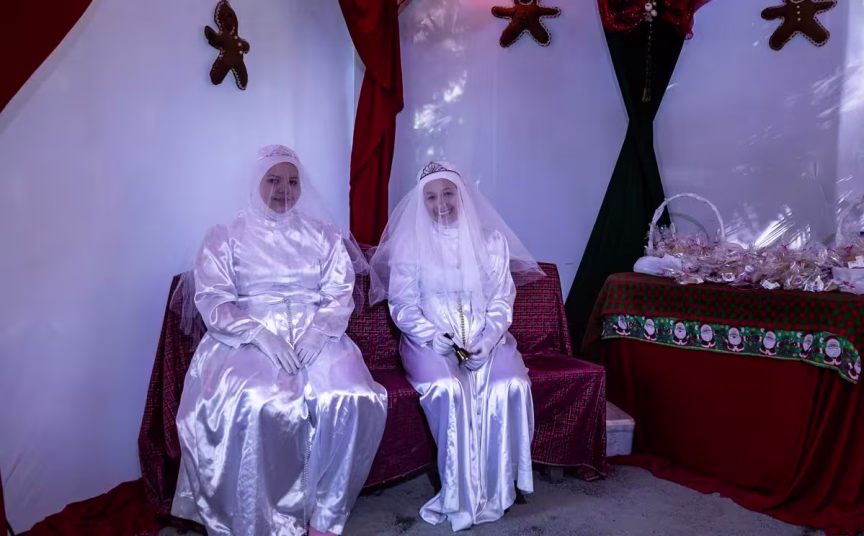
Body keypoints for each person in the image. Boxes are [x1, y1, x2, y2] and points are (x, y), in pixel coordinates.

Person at [172, 145, 387, 536]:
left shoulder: (323, 235)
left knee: (355, 397)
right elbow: (214, 299)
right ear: (256, 182)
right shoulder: (225, 237)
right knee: (260, 404)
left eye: (292, 181)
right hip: (247, 339)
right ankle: (264, 519)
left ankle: (326, 514)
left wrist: (320, 330)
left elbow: (340, 290)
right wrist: (258, 334)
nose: (284, 190)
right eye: (273, 180)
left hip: (316, 334)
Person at [367, 161, 544, 531]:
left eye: (448, 193)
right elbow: (402, 305)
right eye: (431, 197)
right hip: (428, 341)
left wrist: (488, 339)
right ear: (421, 202)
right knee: (449, 389)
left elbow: (501, 301)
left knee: (510, 384)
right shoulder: (410, 244)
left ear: (463, 195)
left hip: (487, 338)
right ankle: (457, 494)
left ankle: (499, 489)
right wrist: (431, 335)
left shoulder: (492, 243)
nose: (441, 203)